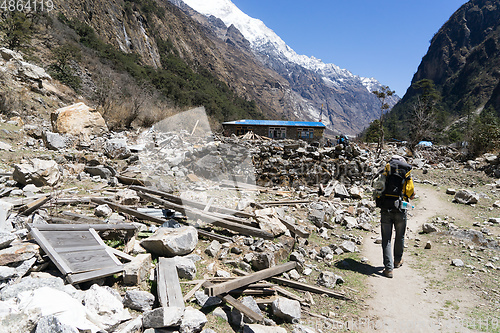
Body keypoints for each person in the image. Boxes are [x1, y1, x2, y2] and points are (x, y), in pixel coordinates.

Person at [373, 155, 415, 278]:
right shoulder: (406, 173)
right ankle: (397, 261)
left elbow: (376, 188)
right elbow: (411, 194)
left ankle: (388, 269)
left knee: (386, 239)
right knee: (400, 235)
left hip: (386, 208)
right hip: (400, 209)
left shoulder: (385, 171)